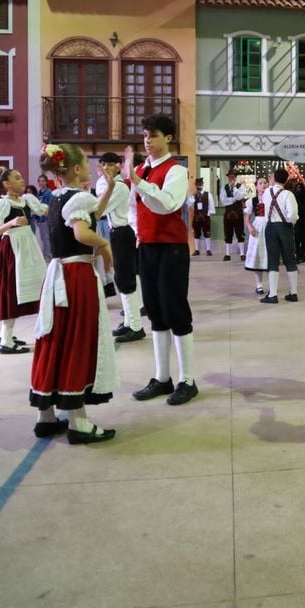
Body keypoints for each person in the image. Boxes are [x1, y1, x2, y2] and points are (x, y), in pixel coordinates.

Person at [29, 142, 119, 444]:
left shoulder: (55, 197)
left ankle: (46, 416)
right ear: (78, 169)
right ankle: (79, 422)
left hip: (57, 274)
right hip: (75, 276)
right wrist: (104, 246)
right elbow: (82, 232)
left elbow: (92, 212)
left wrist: (109, 187)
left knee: (55, 339)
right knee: (79, 341)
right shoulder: (77, 198)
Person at [128, 115, 199, 406]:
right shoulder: (142, 169)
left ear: (168, 137)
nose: (147, 140)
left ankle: (188, 380)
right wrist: (137, 231)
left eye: (153, 135)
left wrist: (140, 183)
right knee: (156, 312)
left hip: (171, 248)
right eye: (145, 135)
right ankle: (162, 377)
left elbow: (168, 203)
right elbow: (134, 207)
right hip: (148, 247)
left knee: (175, 311)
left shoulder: (176, 171)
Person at [0, 167, 49, 354]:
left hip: (28, 248)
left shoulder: (27, 200)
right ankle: (5, 340)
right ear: (6, 184)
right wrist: (11, 223)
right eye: (17, 178)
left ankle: (7, 335)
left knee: (30, 289)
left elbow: (45, 211)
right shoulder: (1, 204)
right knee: (10, 293)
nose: (22, 181)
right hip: (12, 249)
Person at [96, 151, 145, 344]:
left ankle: (135, 326)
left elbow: (99, 210)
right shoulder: (110, 185)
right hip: (116, 233)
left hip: (123, 233)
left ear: (118, 166)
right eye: (103, 165)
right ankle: (128, 321)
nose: (105, 168)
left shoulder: (118, 188)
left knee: (126, 280)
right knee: (121, 279)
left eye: (110, 164)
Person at [261, 168, 300, 304]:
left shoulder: (266, 192)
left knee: (273, 260)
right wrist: (291, 223)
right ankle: (293, 293)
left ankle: (272, 294)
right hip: (285, 228)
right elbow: (293, 215)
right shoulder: (288, 194)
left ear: (274, 178)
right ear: (286, 180)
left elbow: (263, 207)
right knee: (290, 259)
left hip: (271, 227)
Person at [243, 175, 270, 293]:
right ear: (256, 186)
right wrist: (250, 227)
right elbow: (247, 217)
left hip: (270, 227)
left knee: (270, 256)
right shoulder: (252, 201)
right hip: (258, 228)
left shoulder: (271, 199)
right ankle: (259, 284)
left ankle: (271, 285)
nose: (263, 185)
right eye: (260, 183)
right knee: (257, 256)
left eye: (265, 183)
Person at [218, 169, 247, 262]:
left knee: (240, 233)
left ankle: (242, 254)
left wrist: (234, 188)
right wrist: (233, 200)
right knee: (228, 233)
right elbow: (223, 201)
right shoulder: (224, 187)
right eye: (230, 176)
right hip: (228, 214)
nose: (231, 178)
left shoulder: (240, 186)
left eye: (233, 176)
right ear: (228, 177)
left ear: (235, 177)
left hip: (238, 213)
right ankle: (227, 254)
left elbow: (240, 197)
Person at [289, 175, 305, 262]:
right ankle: (300, 255)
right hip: (297, 221)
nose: (298, 188)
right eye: (296, 186)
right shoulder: (293, 196)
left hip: (303, 221)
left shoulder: (303, 198)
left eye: (299, 187)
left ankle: (301, 255)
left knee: (301, 239)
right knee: (297, 240)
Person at [191, 177, 215, 256]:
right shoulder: (194, 195)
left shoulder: (208, 194)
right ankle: (197, 250)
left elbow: (211, 205)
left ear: (202, 185)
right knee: (196, 233)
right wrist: (192, 197)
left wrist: (208, 214)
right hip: (197, 216)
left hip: (205, 216)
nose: (199, 186)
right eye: (197, 185)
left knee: (207, 233)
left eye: (200, 185)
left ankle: (208, 250)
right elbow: (188, 204)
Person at [33, 174, 54, 261]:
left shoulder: (49, 192)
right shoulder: (38, 193)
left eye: (43, 181)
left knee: (46, 238)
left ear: (46, 182)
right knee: (43, 238)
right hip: (40, 219)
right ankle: (46, 254)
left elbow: (51, 205)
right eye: (39, 181)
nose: (41, 183)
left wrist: (48, 217)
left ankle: (48, 255)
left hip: (46, 219)